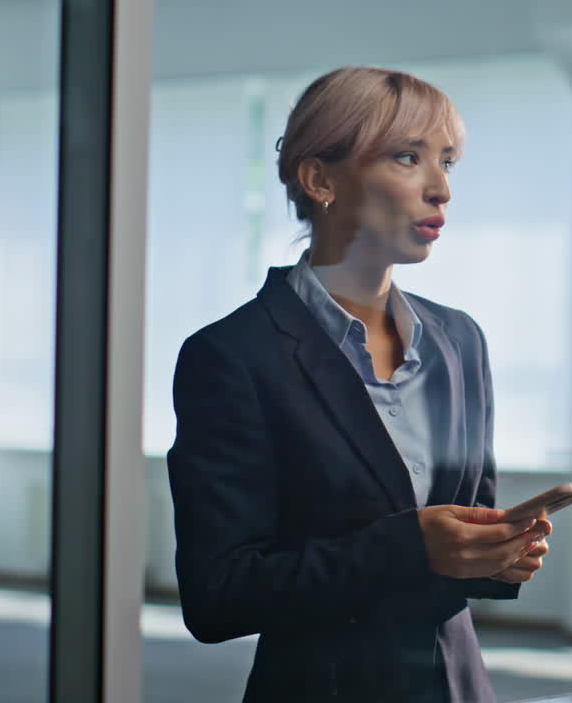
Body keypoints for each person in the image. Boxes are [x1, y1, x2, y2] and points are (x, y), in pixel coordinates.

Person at [166, 66, 552, 703]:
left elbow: (461, 544)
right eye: (408, 157)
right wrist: (411, 545)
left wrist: (499, 553)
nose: (441, 190)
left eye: (448, 163)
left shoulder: (459, 341)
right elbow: (218, 596)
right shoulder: (232, 356)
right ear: (319, 180)